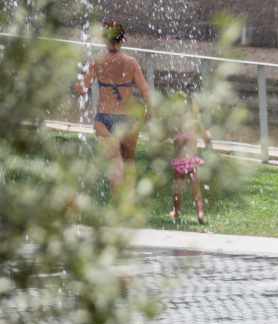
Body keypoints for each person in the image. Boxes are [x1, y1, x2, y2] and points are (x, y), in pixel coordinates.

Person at [73, 20, 152, 192]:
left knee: (115, 163)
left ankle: (117, 208)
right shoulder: (131, 63)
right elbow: (146, 90)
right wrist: (150, 111)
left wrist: (75, 85)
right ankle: (128, 205)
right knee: (129, 163)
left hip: (104, 119)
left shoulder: (98, 61)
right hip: (129, 120)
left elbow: (83, 89)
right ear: (123, 39)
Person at [169, 95, 212, 224]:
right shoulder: (195, 123)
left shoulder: (176, 124)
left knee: (177, 190)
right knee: (196, 190)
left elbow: (168, 138)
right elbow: (207, 137)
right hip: (192, 162)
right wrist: (208, 144)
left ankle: (176, 212)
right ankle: (200, 213)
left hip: (179, 164)